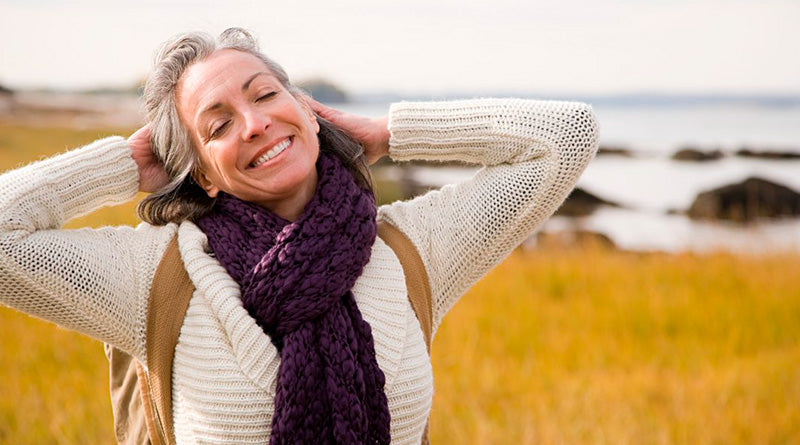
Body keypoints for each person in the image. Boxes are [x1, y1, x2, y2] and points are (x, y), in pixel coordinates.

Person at [0, 27, 599, 444]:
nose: (257, 123)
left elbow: (567, 137)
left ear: (307, 111)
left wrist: (387, 133)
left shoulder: (408, 248)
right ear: (201, 174)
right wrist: (125, 165)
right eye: (219, 124)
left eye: (266, 95)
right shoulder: (154, 278)